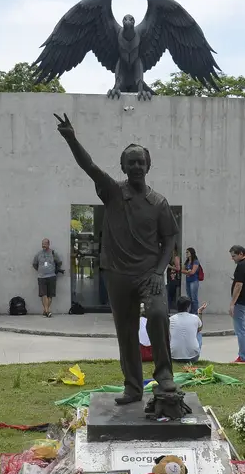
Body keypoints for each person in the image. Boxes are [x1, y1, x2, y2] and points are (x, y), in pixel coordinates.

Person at [55, 113, 182, 415]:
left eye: (141, 162)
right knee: (125, 332)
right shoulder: (113, 193)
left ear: (148, 166)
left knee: (158, 315)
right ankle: (133, 387)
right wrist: (71, 138)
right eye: (131, 162)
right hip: (118, 275)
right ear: (123, 167)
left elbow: (170, 239)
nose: (137, 166)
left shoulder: (159, 203)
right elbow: (89, 166)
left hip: (149, 274)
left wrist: (159, 271)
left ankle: (164, 376)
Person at [32, 238, 64, 318]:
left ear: (48, 244)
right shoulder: (38, 254)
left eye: (45, 244)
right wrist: (40, 270)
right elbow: (34, 264)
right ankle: (47, 311)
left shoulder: (53, 253)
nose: (43, 245)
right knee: (44, 294)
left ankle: (45, 311)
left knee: (50, 295)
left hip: (51, 276)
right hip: (41, 277)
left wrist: (54, 270)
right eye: (42, 244)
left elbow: (59, 262)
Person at [170, 296, 206, 363]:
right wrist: (200, 312)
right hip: (193, 358)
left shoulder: (170, 319)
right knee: (198, 334)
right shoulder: (195, 318)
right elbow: (200, 328)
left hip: (173, 357)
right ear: (188, 307)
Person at [182, 247, 201, 314]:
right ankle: (190, 312)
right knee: (189, 298)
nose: (186, 253)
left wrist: (187, 272)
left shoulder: (195, 261)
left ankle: (195, 313)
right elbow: (182, 270)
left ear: (191, 253)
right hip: (188, 281)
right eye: (186, 252)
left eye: (188, 252)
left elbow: (193, 272)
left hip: (194, 281)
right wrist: (188, 272)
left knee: (194, 298)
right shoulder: (187, 261)